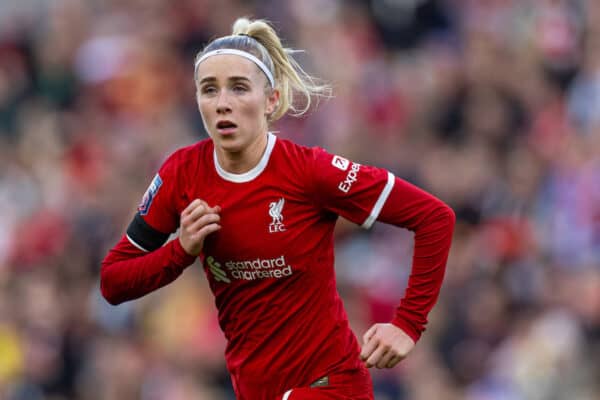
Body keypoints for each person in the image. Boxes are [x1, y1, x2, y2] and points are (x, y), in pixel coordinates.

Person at [100, 17, 455, 400]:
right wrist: (180, 250)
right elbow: (113, 282)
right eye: (209, 90)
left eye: (238, 88)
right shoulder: (181, 175)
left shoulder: (309, 171)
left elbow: (434, 217)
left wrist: (408, 324)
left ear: (271, 100)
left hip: (329, 386)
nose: (222, 104)